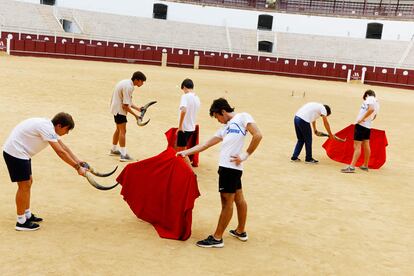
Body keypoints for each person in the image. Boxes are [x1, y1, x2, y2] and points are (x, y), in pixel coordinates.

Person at [177, 98, 262, 248]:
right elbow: (205, 144)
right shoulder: (226, 128)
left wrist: (245, 155)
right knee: (238, 198)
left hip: (230, 169)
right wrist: (185, 153)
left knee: (226, 202)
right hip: (230, 168)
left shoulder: (243, 117)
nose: (218, 120)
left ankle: (217, 238)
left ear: (223, 111)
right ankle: (241, 231)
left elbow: (258, 135)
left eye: (217, 117)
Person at [2, 112, 87, 231]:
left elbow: (64, 148)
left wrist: (79, 162)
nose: (67, 133)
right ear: (59, 125)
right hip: (15, 153)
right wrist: (77, 168)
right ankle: (21, 222)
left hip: (22, 153)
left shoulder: (49, 127)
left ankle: (27, 214)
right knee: (24, 185)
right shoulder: (46, 128)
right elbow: (60, 152)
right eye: (67, 130)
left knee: (29, 182)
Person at [110, 71, 146, 162]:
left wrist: (138, 109)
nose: (142, 83)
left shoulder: (126, 82)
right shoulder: (129, 87)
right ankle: (123, 155)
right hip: (119, 110)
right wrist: (136, 116)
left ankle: (113, 150)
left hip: (115, 108)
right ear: (137, 80)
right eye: (142, 81)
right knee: (123, 130)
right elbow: (125, 106)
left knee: (118, 129)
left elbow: (128, 102)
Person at [341, 90, 379, 173]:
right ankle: (365, 165)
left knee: (357, 146)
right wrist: (367, 120)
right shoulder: (377, 103)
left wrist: (362, 119)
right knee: (366, 144)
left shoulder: (370, 98)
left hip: (361, 125)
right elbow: (374, 115)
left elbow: (371, 109)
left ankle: (351, 167)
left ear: (367, 95)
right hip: (368, 126)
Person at [176, 78, 200, 165]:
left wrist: (180, 126)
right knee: (182, 150)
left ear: (184, 87)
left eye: (183, 89)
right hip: (191, 127)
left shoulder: (185, 96)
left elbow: (184, 110)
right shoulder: (197, 98)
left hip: (184, 128)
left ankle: (190, 172)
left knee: (182, 153)